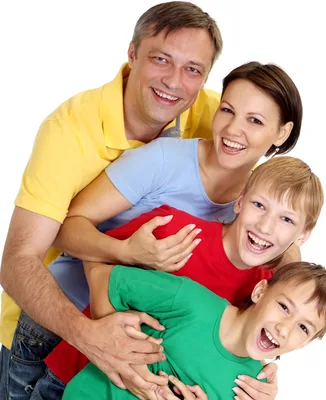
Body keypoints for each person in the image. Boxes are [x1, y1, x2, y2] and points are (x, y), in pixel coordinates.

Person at [11, 59, 304, 400]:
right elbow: (69, 232)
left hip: (135, 378)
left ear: (281, 133)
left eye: (255, 120)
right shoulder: (166, 169)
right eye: (227, 111)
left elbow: (280, 313)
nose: (233, 129)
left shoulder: (265, 220)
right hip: (64, 321)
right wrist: (124, 256)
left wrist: (261, 376)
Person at [0, 1, 224, 395]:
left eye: (193, 70)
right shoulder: (68, 129)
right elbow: (18, 260)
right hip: (53, 323)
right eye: (160, 59)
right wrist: (89, 335)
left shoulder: (215, 116)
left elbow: (270, 211)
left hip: (140, 329)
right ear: (132, 54)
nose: (174, 81)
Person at [39, 155, 322, 399]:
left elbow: (261, 341)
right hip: (75, 373)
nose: (265, 226)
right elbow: (95, 259)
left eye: (286, 220)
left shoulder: (270, 289)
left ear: (303, 236)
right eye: (259, 205)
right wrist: (117, 348)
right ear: (240, 201)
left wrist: (266, 384)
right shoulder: (175, 229)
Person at [62, 260, 326, 400]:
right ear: (260, 291)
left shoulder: (252, 388)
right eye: (284, 307)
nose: (284, 329)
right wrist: (125, 359)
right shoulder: (192, 302)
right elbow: (103, 277)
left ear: (306, 343)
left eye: (304, 328)